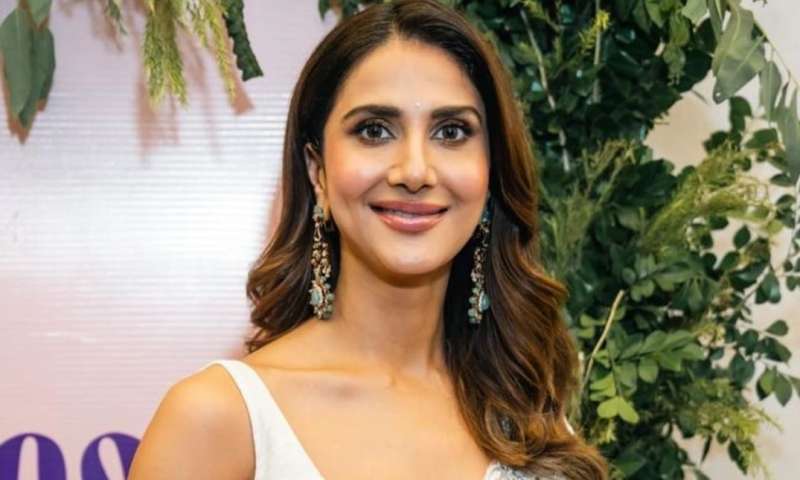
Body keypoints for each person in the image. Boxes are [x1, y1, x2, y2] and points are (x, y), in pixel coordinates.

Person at [128, 1, 609, 478]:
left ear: (490, 172)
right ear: (317, 171)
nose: (415, 171)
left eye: (451, 131)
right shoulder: (218, 419)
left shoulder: (528, 417)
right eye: (374, 130)